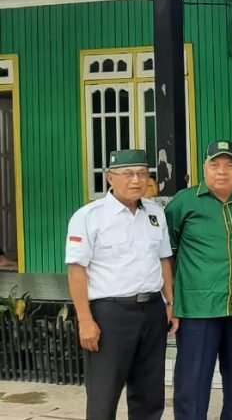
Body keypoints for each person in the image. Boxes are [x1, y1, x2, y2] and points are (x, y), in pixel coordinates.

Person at [65, 149, 176, 420]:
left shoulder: (155, 213)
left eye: (142, 173)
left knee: (150, 395)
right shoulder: (89, 216)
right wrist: (85, 320)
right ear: (110, 178)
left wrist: (170, 303)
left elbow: (164, 260)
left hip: (152, 310)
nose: (136, 180)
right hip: (110, 314)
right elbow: (77, 271)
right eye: (128, 174)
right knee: (104, 395)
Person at [167, 140, 232, 420]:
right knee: (193, 383)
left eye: (229, 165)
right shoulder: (184, 202)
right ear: (204, 168)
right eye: (215, 164)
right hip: (197, 309)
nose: (222, 171)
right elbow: (164, 254)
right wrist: (170, 301)